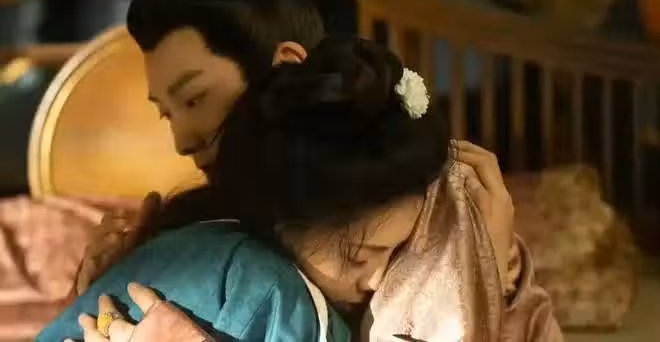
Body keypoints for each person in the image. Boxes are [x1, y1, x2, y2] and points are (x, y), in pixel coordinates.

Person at [73, 0, 517, 299]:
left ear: (284, 65)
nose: (182, 141)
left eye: (194, 98)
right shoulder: (199, 227)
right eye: (166, 112)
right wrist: (98, 294)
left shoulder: (401, 200)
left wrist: (486, 277)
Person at [38, 35, 450, 341]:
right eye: (360, 256)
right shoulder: (281, 299)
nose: (378, 279)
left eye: (394, 252)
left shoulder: (196, 241)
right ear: (285, 220)